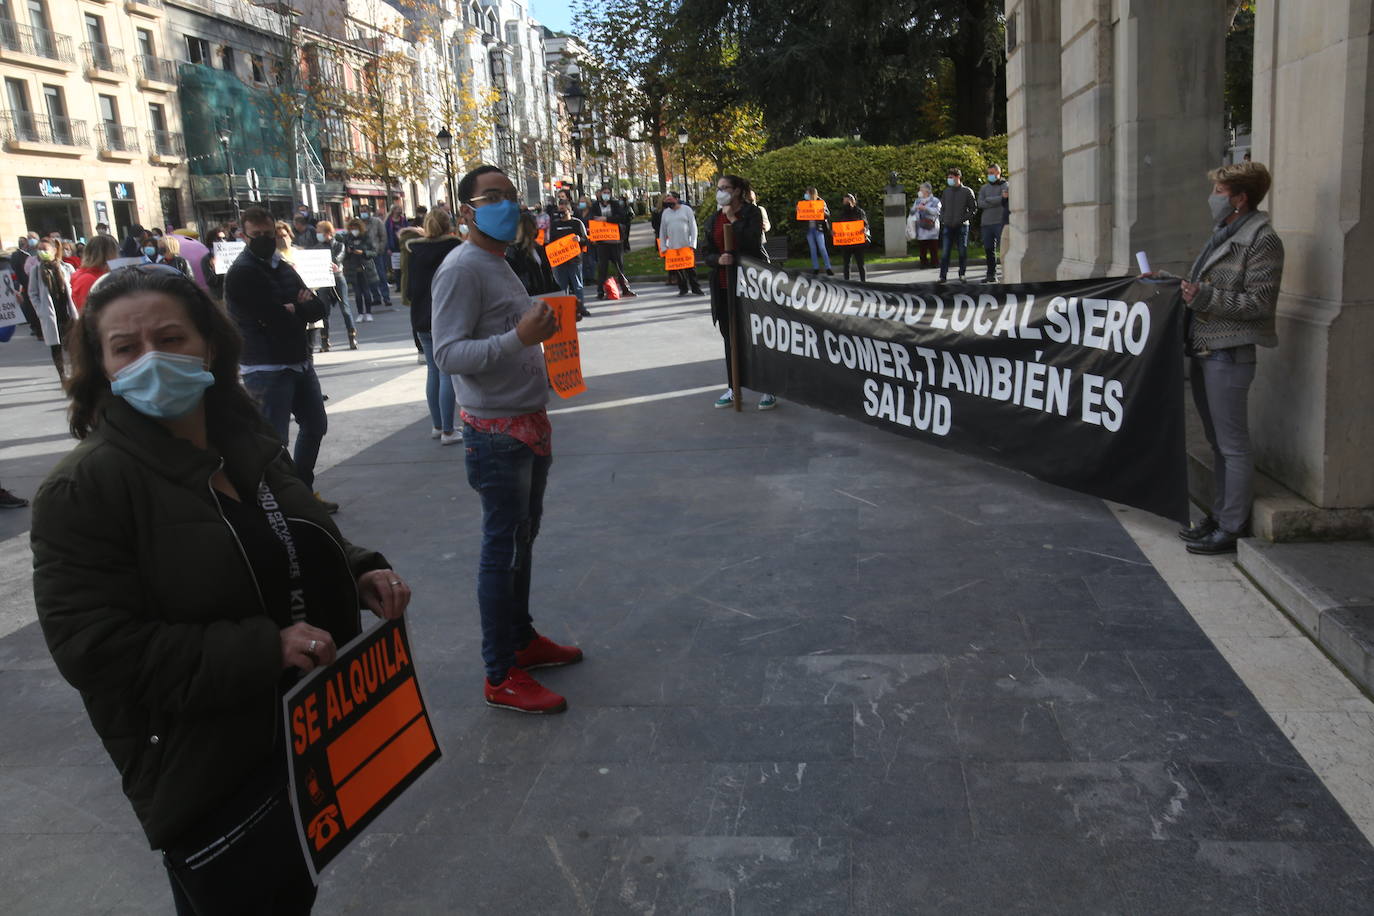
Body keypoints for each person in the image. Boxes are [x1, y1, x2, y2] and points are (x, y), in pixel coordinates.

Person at [30, 264, 411, 915]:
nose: (152, 358)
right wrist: (263, 649)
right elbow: (93, 649)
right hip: (206, 765)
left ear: (209, 342)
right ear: (102, 367)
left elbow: (288, 531)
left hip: (301, 730)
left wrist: (356, 568)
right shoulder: (84, 488)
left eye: (170, 338)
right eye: (126, 347)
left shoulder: (248, 436)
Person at [431, 164, 583, 714]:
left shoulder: (497, 261)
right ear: (467, 209)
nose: (506, 206)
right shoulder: (461, 268)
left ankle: (521, 639)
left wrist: (546, 324)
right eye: (492, 196)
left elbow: (508, 331)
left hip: (525, 422)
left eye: (512, 196)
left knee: (521, 543)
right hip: (496, 434)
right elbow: (447, 355)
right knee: (502, 551)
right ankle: (500, 671)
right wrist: (518, 337)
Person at [1158, 161, 1284, 556]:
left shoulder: (1262, 240)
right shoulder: (1224, 233)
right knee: (1216, 442)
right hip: (1204, 348)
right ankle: (1220, 514)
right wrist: (1171, 283)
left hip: (1228, 355)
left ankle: (1231, 526)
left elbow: (1261, 304)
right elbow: (1203, 285)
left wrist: (1206, 297)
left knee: (1232, 445)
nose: (1213, 197)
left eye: (1219, 191)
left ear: (1240, 198)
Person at [224, 207, 337, 513]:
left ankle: (302, 491)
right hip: (266, 366)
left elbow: (317, 309)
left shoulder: (283, 266)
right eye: (256, 234)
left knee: (315, 425)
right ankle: (282, 503)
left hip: (298, 359)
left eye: (268, 233)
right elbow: (268, 318)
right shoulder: (243, 273)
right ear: (244, 235)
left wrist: (294, 309)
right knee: (274, 441)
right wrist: (291, 310)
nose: (264, 239)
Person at [700, 174, 776, 411]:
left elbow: (752, 243)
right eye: (719, 188)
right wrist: (717, 259)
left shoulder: (752, 213)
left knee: (756, 336)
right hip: (724, 286)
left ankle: (768, 389)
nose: (721, 192)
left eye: (726, 188)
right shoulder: (713, 219)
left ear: (737, 191)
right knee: (730, 337)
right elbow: (706, 251)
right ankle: (734, 387)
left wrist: (733, 219)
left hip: (749, 287)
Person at [404, 209, 462, 444]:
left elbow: (408, 289)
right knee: (447, 371)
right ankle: (449, 430)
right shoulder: (455, 248)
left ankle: (438, 426)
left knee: (433, 370)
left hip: (421, 317)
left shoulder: (414, 251)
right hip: (444, 316)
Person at [28, 238, 76, 383]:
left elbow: (75, 286)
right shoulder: (36, 270)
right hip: (50, 313)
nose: (42, 252)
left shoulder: (66, 267)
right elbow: (32, 293)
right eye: (40, 249)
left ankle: (78, 373)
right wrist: (40, 310)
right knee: (56, 347)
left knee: (74, 345)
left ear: (54, 250)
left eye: (45, 249)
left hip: (66, 312)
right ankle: (63, 376)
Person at [546, 198, 592, 318]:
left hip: (575, 260)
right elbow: (551, 243)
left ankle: (581, 307)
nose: (561, 212)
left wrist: (580, 239)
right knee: (562, 286)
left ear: (569, 211)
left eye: (564, 210)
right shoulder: (555, 224)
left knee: (578, 285)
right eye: (559, 210)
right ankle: (564, 309)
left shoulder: (577, 223)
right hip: (560, 261)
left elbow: (586, 240)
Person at [316, 221, 357, 352]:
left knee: (345, 309)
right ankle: (324, 341)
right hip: (323, 280)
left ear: (327, 232)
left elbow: (339, 257)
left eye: (319, 231)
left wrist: (333, 262)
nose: (317, 234)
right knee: (324, 311)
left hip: (338, 278)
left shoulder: (339, 245)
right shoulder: (317, 247)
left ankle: (352, 338)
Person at [587, 185, 636, 298]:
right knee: (602, 267)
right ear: (600, 193)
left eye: (608, 192)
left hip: (615, 241)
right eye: (604, 192)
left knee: (619, 266)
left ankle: (625, 289)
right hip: (602, 241)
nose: (606, 195)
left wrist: (606, 219)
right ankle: (600, 291)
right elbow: (591, 220)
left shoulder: (615, 205)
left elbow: (622, 218)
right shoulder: (595, 206)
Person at [657, 191, 702, 296]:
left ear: (676, 199)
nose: (667, 202)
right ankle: (683, 288)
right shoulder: (665, 213)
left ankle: (696, 288)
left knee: (691, 268)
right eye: (666, 200)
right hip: (672, 245)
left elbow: (693, 227)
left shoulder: (687, 210)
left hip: (686, 244)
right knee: (678, 269)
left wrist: (693, 242)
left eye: (670, 199)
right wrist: (663, 246)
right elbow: (662, 231)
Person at [938, 167, 978, 282]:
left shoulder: (967, 191)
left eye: (951, 177)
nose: (949, 179)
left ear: (958, 177)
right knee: (945, 252)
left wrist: (962, 219)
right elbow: (942, 208)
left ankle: (962, 274)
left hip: (962, 226)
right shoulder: (946, 192)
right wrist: (943, 219)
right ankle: (942, 276)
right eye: (948, 177)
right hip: (948, 225)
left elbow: (973, 209)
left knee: (962, 251)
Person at [342, 218, 379, 322]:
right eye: (352, 228)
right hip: (353, 269)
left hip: (365, 268)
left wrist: (363, 252)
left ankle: (368, 312)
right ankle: (360, 313)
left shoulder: (366, 237)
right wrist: (348, 252)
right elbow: (343, 254)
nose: (354, 230)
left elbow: (374, 252)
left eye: (356, 228)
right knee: (357, 293)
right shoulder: (347, 238)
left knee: (367, 292)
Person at [977, 164, 1010, 282]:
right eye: (988, 173)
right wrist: (996, 200)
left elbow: (1003, 200)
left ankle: (1006, 274)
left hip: (999, 222)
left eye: (992, 173)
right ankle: (991, 274)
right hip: (986, 223)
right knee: (989, 250)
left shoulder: (1005, 185)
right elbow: (980, 203)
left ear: (998, 173)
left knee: (1004, 250)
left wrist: (989, 200)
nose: (990, 175)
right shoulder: (984, 188)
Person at [71, 235, 119, 311]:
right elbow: (88, 313)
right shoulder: (88, 279)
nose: (118, 257)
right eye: (116, 252)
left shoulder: (102, 274)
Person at [359, 207, 392, 309]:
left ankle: (386, 297)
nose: (363, 213)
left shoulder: (377, 222)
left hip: (376, 252)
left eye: (365, 211)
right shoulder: (359, 223)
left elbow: (383, 236)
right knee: (369, 276)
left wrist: (381, 248)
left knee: (381, 274)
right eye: (362, 211)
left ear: (370, 212)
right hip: (365, 254)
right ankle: (376, 297)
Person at [10, 234, 41, 338]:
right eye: (29, 238)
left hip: (39, 285)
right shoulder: (18, 255)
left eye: (33, 238)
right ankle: (37, 328)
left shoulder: (37, 252)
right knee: (32, 308)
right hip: (27, 286)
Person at [835, 193, 869, 282]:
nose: (846, 203)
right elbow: (837, 227)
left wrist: (864, 229)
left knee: (860, 264)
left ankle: (863, 282)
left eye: (848, 201)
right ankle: (847, 283)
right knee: (846, 265)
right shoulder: (841, 214)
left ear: (853, 202)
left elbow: (865, 224)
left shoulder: (859, 212)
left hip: (858, 243)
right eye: (844, 201)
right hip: (846, 243)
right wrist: (834, 232)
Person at [801, 187, 833, 277]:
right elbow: (800, 216)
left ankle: (828, 267)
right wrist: (798, 210)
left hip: (818, 228)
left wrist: (822, 211)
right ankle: (816, 268)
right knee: (813, 249)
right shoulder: (803, 203)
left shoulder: (820, 202)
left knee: (822, 248)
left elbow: (828, 214)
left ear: (812, 194)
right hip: (809, 229)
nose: (805, 195)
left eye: (807, 193)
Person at [912, 182, 942, 268]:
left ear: (927, 190)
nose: (920, 191)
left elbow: (937, 211)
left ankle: (935, 262)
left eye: (921, 189)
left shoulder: (935, 200)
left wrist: (925, 208)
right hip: (921, 226)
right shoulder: (918, 201)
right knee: (922, 246)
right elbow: (913, 211)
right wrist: (915, 211)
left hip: (932, 227)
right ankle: (923, 262)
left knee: (933, 246)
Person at [201, 228, 227, 301]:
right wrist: (214, 269)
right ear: (211, 241)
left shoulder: (233, 255)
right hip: (220, 297)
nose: (223, 241)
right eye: (219, 239)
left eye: (224, 238)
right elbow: (210, 281)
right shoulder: (206, 259)